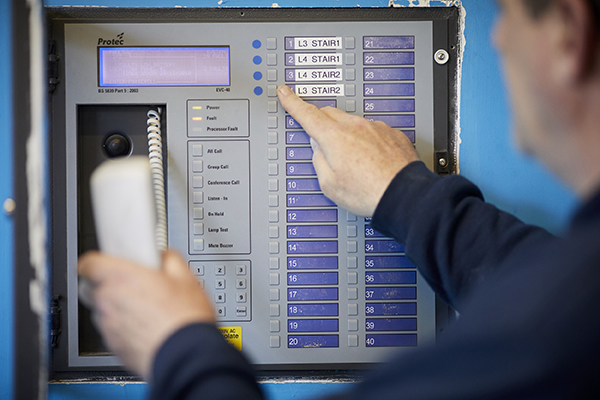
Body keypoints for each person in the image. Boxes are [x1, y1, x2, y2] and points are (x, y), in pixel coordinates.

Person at [78, 0, 600, 398]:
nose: (501, 35)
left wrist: (177, 345)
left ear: (568, 35)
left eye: (508, 13)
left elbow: (551, 310)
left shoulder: (560, 328)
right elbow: (545, 281)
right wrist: (407, 195)